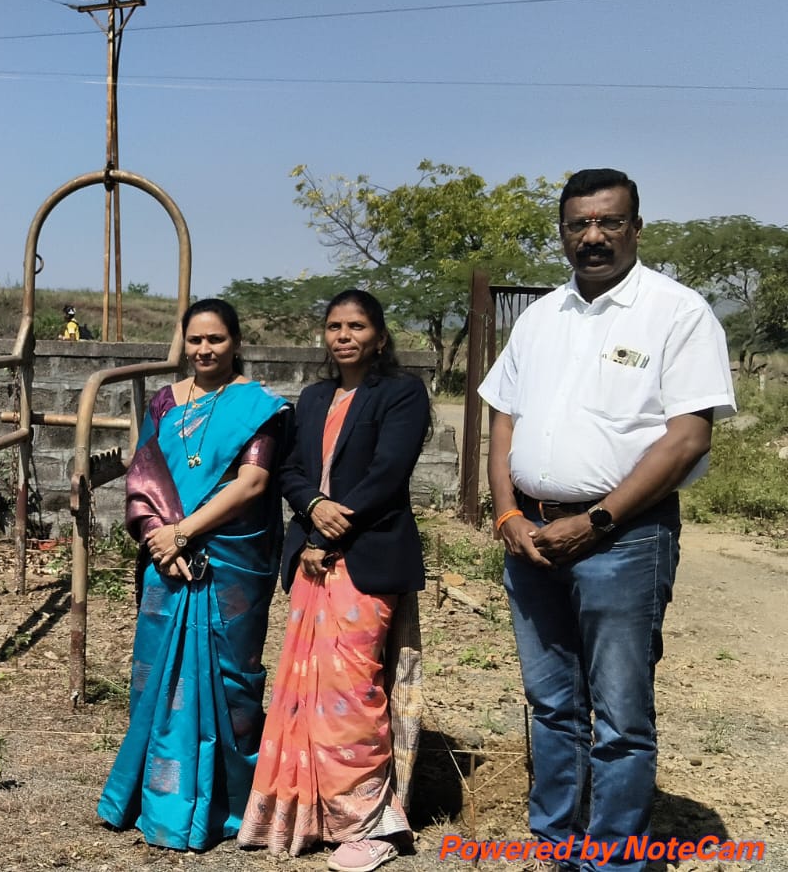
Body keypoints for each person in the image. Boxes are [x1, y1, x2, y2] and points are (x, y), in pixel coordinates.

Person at [479, 169, 734, 872]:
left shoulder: (676, 312)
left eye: (609, 222)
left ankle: (613, 858)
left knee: (620, 715)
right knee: (552, 703)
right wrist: (506, 512)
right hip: (532, 537)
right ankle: (557, 842)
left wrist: (597, 520)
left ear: (636, 228)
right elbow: (504, 421)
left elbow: (688, 438)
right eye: (579, 224)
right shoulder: (540, 317)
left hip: (624, 540)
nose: (593, 236)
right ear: (562, 232)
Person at [238, 289, 429, 872]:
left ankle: (371, 823)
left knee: (352, 691)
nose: (344, 336)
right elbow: (291, 470)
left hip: (365, 554)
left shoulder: (402, 393)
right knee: (306, 691)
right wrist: (313, 506)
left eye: (356, 326)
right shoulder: (315, 397)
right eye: (334, 326)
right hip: (311, 557)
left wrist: (330, 530)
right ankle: (307, 813)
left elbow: (388, 474)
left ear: (379, 336)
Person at [96, 298, 291, 851]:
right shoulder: (164, 401)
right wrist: (160, 537)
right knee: (158, 675)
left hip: (231, 562)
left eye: (216, 339)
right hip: (165, 559)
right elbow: (143, 477)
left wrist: (183, 533)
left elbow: (253, 483)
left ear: (236, 342)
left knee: (229, 680)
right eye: (195, 340)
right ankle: (153, 800)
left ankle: (227, 803)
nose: (204, 349)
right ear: (183, 343)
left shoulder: (259, 407)